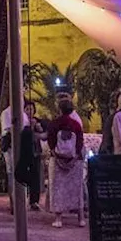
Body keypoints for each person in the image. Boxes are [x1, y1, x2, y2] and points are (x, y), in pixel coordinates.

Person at [45, 98, 85, 228]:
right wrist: (75, 157)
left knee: (58, 189)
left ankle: (58, 219)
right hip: (74, 161)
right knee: (76, 189)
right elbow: (80, 142)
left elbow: (50, 141)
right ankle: (80, 218)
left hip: (57, 160)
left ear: (59, 109)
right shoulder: (76, 124)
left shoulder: (55, 123)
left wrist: (55, 155)